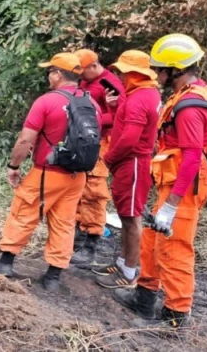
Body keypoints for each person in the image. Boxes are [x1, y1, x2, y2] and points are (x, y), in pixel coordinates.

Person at [113, 34, 207, 331]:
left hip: (183, 186)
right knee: (152, 241)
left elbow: (193, 157)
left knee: (174, 249)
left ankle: (176, 316)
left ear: (175, 70)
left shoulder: (190, 108)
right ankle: (145, 297)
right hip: (172, 182)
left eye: (159, 69)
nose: (155, 74)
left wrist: (171, 206)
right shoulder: (188, 93)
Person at [0, 53, 101, 292]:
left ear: (58, 74)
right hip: (77, 176)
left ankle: (5, 263)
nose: (49, 77)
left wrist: (14, 166)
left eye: (50, 72)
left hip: (47, 172)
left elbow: (25, 140)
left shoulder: (47, 101)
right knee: (64, 222)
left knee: (24, 211)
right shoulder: (92, 104)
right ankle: (53, 277)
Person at [93, 50, 160, 289]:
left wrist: (110, 158)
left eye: (122, 72)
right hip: (130, 162)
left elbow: (130, 138)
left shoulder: (140, 98)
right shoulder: (142, 94)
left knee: (131, 218)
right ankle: (123, 262)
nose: (119, 76)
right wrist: (114, 108)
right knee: (125, 214)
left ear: (134, 73)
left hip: (132, 163)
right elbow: (124, 123)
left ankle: (130, 271)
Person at [70, 49, 125, 267]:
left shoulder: (109, 84)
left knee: (93, 191)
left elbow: (122, 114)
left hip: (101, 142)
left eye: (82, 71)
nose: (80, 76)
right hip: (83, 141)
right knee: (77, 188)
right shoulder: (85, 81)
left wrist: (92, 121)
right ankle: (76, 237)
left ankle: (90, 244)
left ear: (94, 66)